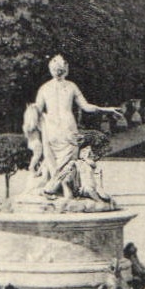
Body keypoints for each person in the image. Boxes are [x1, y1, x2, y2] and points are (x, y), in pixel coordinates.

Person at [30, 55, 122, 194]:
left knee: (55, 159)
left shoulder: (45, 88)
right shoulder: (70, 86)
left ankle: (55, 187)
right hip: (66, 127)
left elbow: (36, 110)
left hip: (53, 127)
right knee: (68, 160)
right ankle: (62, 188)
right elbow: (86, 107)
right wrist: (106, 109)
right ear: (65, 70)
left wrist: (34, 120)